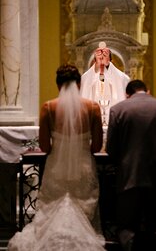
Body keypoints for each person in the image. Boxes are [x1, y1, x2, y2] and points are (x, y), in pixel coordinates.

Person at [7, 64, 106, 251]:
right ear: (79, 84)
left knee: (53, 206)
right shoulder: (93, 107)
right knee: (82, 207)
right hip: (83, 166)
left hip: (56, 168)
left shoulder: (48, 107)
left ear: (58, 85)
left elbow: (44, 146)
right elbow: (97, 146)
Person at [106, 79, 156, 251]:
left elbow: (111, 149)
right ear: (147, 91)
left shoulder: (117, 110)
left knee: (126, 227)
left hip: (128, 177)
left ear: (127, 94)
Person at [80, 44, 130, 125]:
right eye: (99, 59)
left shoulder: (117, 76)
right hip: (93, 118)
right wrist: (97, 65)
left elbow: (123, 80)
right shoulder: (89, 76)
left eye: (104, 58)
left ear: (111, 61)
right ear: (94, 61)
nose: (102, 62)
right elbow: (84, 82)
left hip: (112, 118)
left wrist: (108, 65)